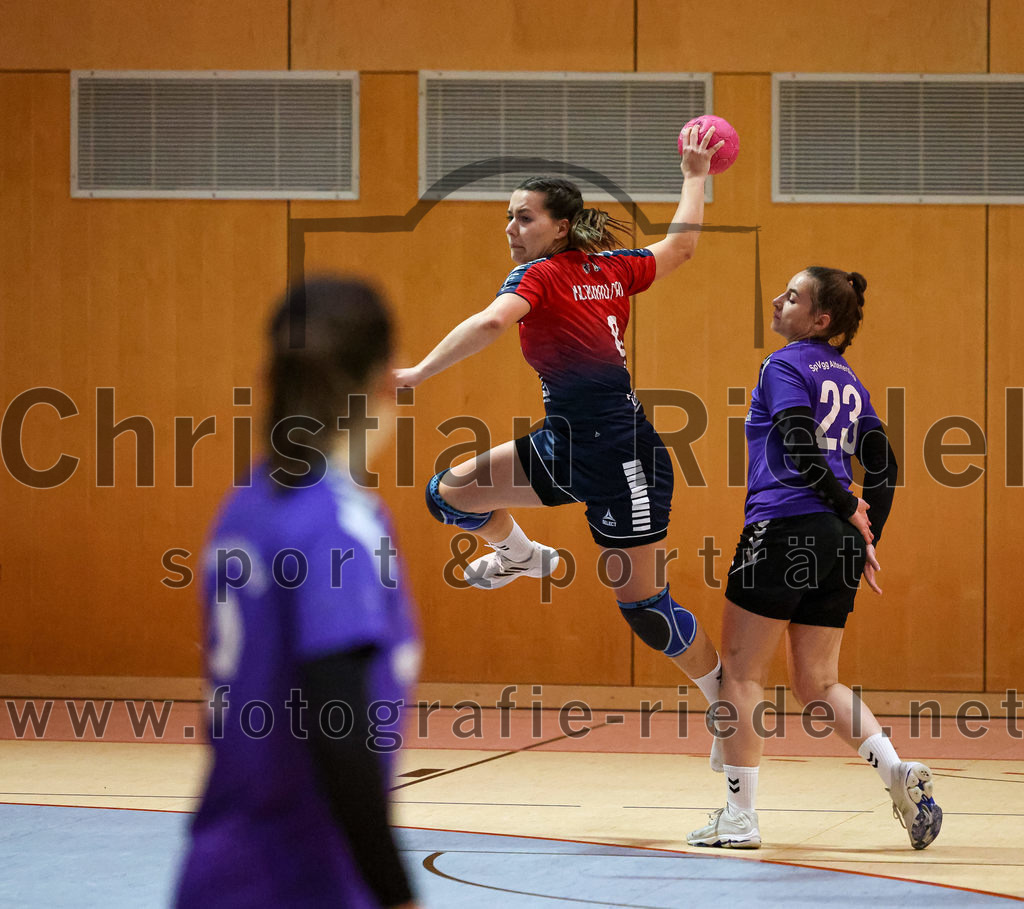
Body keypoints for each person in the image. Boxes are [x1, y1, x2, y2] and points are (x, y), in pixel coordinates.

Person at [394, 125, 726, 718]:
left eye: (525, 218)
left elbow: (494, 324)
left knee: (645, 608)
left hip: (625, 458)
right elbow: (679, 248)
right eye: (509, 217)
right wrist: (694, 179)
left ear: (561, 227)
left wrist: (419, 372)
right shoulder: (613, 268)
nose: (511, 229)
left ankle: (723, 700)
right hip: (563, 442)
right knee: (450, 495)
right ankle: (524, 556)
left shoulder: (544, 276)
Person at [175, 278, 422, 908]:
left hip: (215, 872)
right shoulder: (337, 525)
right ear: (383, 382)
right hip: (307, 878)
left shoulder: (244, 507)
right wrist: (396, 894)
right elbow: (337, 720)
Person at [686, 267, 941, 851]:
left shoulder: (784, 364)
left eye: (793, 296)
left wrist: (844, 504)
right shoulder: (851, 380)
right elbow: (887, 467)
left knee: (743, 675)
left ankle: (740, 816)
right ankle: (897, 772)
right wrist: (864, 530)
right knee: (818, 682)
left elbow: (799, 445)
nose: (779, 300)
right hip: (836, 542)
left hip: (783, 528)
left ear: (821, 320)